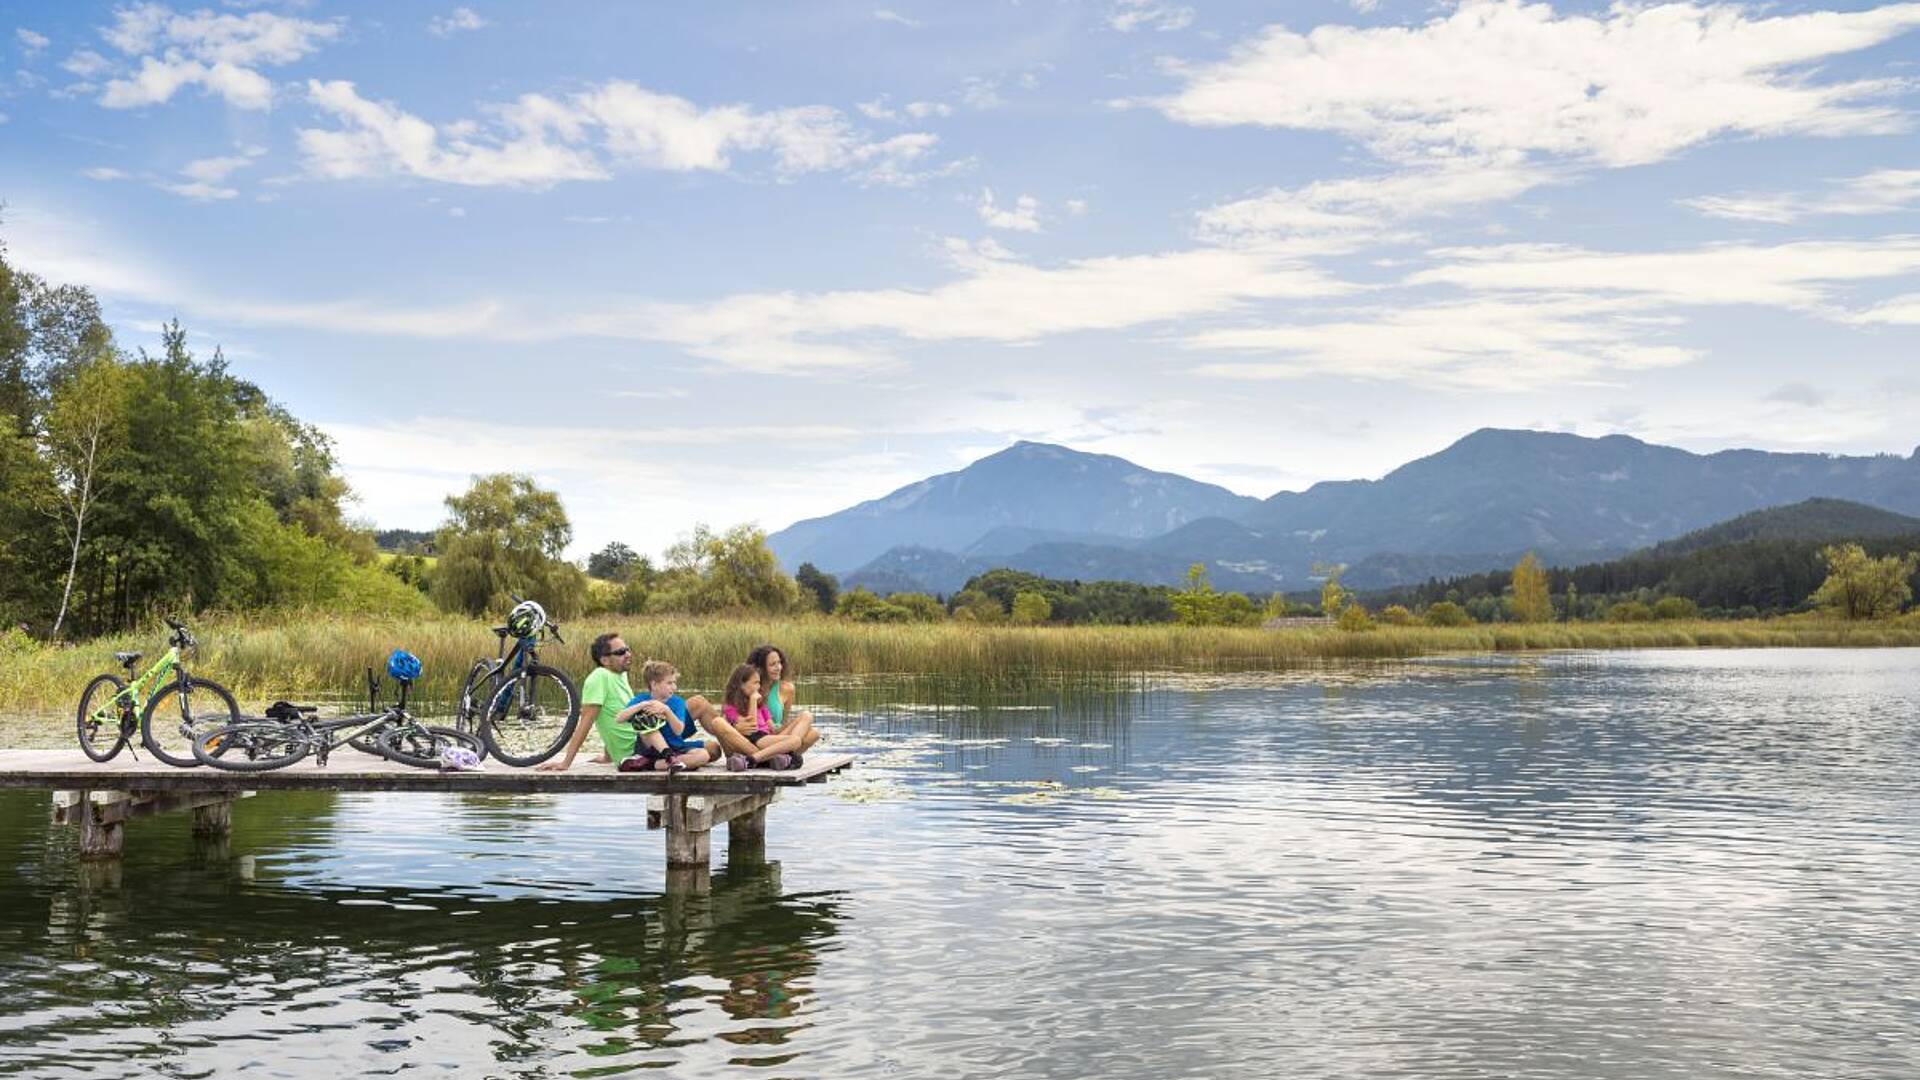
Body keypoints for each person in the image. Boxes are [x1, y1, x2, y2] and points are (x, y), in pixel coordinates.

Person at [627, 659, 714, 770]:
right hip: (650, 748)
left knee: (708, 753)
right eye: (669, 683)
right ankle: (670, 761)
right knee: (647, 724)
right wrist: (641, 706)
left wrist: (667, 711)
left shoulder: (677, 702)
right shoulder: (642, 699)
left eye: (674, 683)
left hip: (675, 746)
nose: (674, 687)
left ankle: (651, 764)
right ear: (654, 685)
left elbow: (679, 730)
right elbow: (619, 718)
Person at [720, 662, 804, 769]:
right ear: (741, 684)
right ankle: (751, 760)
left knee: (796, 749)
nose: (759, 686)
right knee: (795, 741)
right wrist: (753, 700)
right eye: (755, 683)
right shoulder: (730, 706)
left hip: (766, 737)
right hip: (753, 738)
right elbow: (752, 727)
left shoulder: (762, 705)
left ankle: (758, 759)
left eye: (759, 683)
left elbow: (772, 729)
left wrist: (789, 724)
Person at [747, 644, 821, 755]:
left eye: (779, 662)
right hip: (760, 740)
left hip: (778, 736)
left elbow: (782, 723)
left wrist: (791, 723)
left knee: (813, 733)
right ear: (761, 668)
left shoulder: (787, 689)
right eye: (772, 664)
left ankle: (784, 753)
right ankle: (785, 754)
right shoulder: (751, 688)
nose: (778, 668)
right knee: (806, 716)